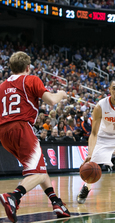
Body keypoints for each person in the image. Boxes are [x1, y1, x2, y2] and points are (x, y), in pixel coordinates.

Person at [0, 52, 70, 223]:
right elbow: (52, 100)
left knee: (40, 168)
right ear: (27, 67)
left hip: (4, 132)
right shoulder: (31, 79)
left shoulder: (1, 86)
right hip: (22, 127)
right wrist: (61, 93)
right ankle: (13, 197)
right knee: (37, 172)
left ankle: (56, 202)